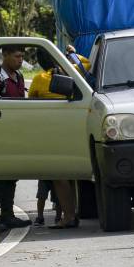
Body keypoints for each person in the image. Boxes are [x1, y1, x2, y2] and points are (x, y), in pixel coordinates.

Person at [28, 45, 90, 229]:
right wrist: (71, 53)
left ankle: (69, 216)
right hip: (75, 131)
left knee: (59, 176)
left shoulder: (40, 79)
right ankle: (72, 214)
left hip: (53, 133)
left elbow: (30, 104)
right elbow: (86, 62)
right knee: (71, 176)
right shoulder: (75, 73)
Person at [0, 45, 31, 231]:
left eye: (22, 56)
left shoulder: (18, 77)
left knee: (11, 175)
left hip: (15, 133)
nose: (20, 60)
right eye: (17, 56)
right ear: (5, 56)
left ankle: (7, 215)